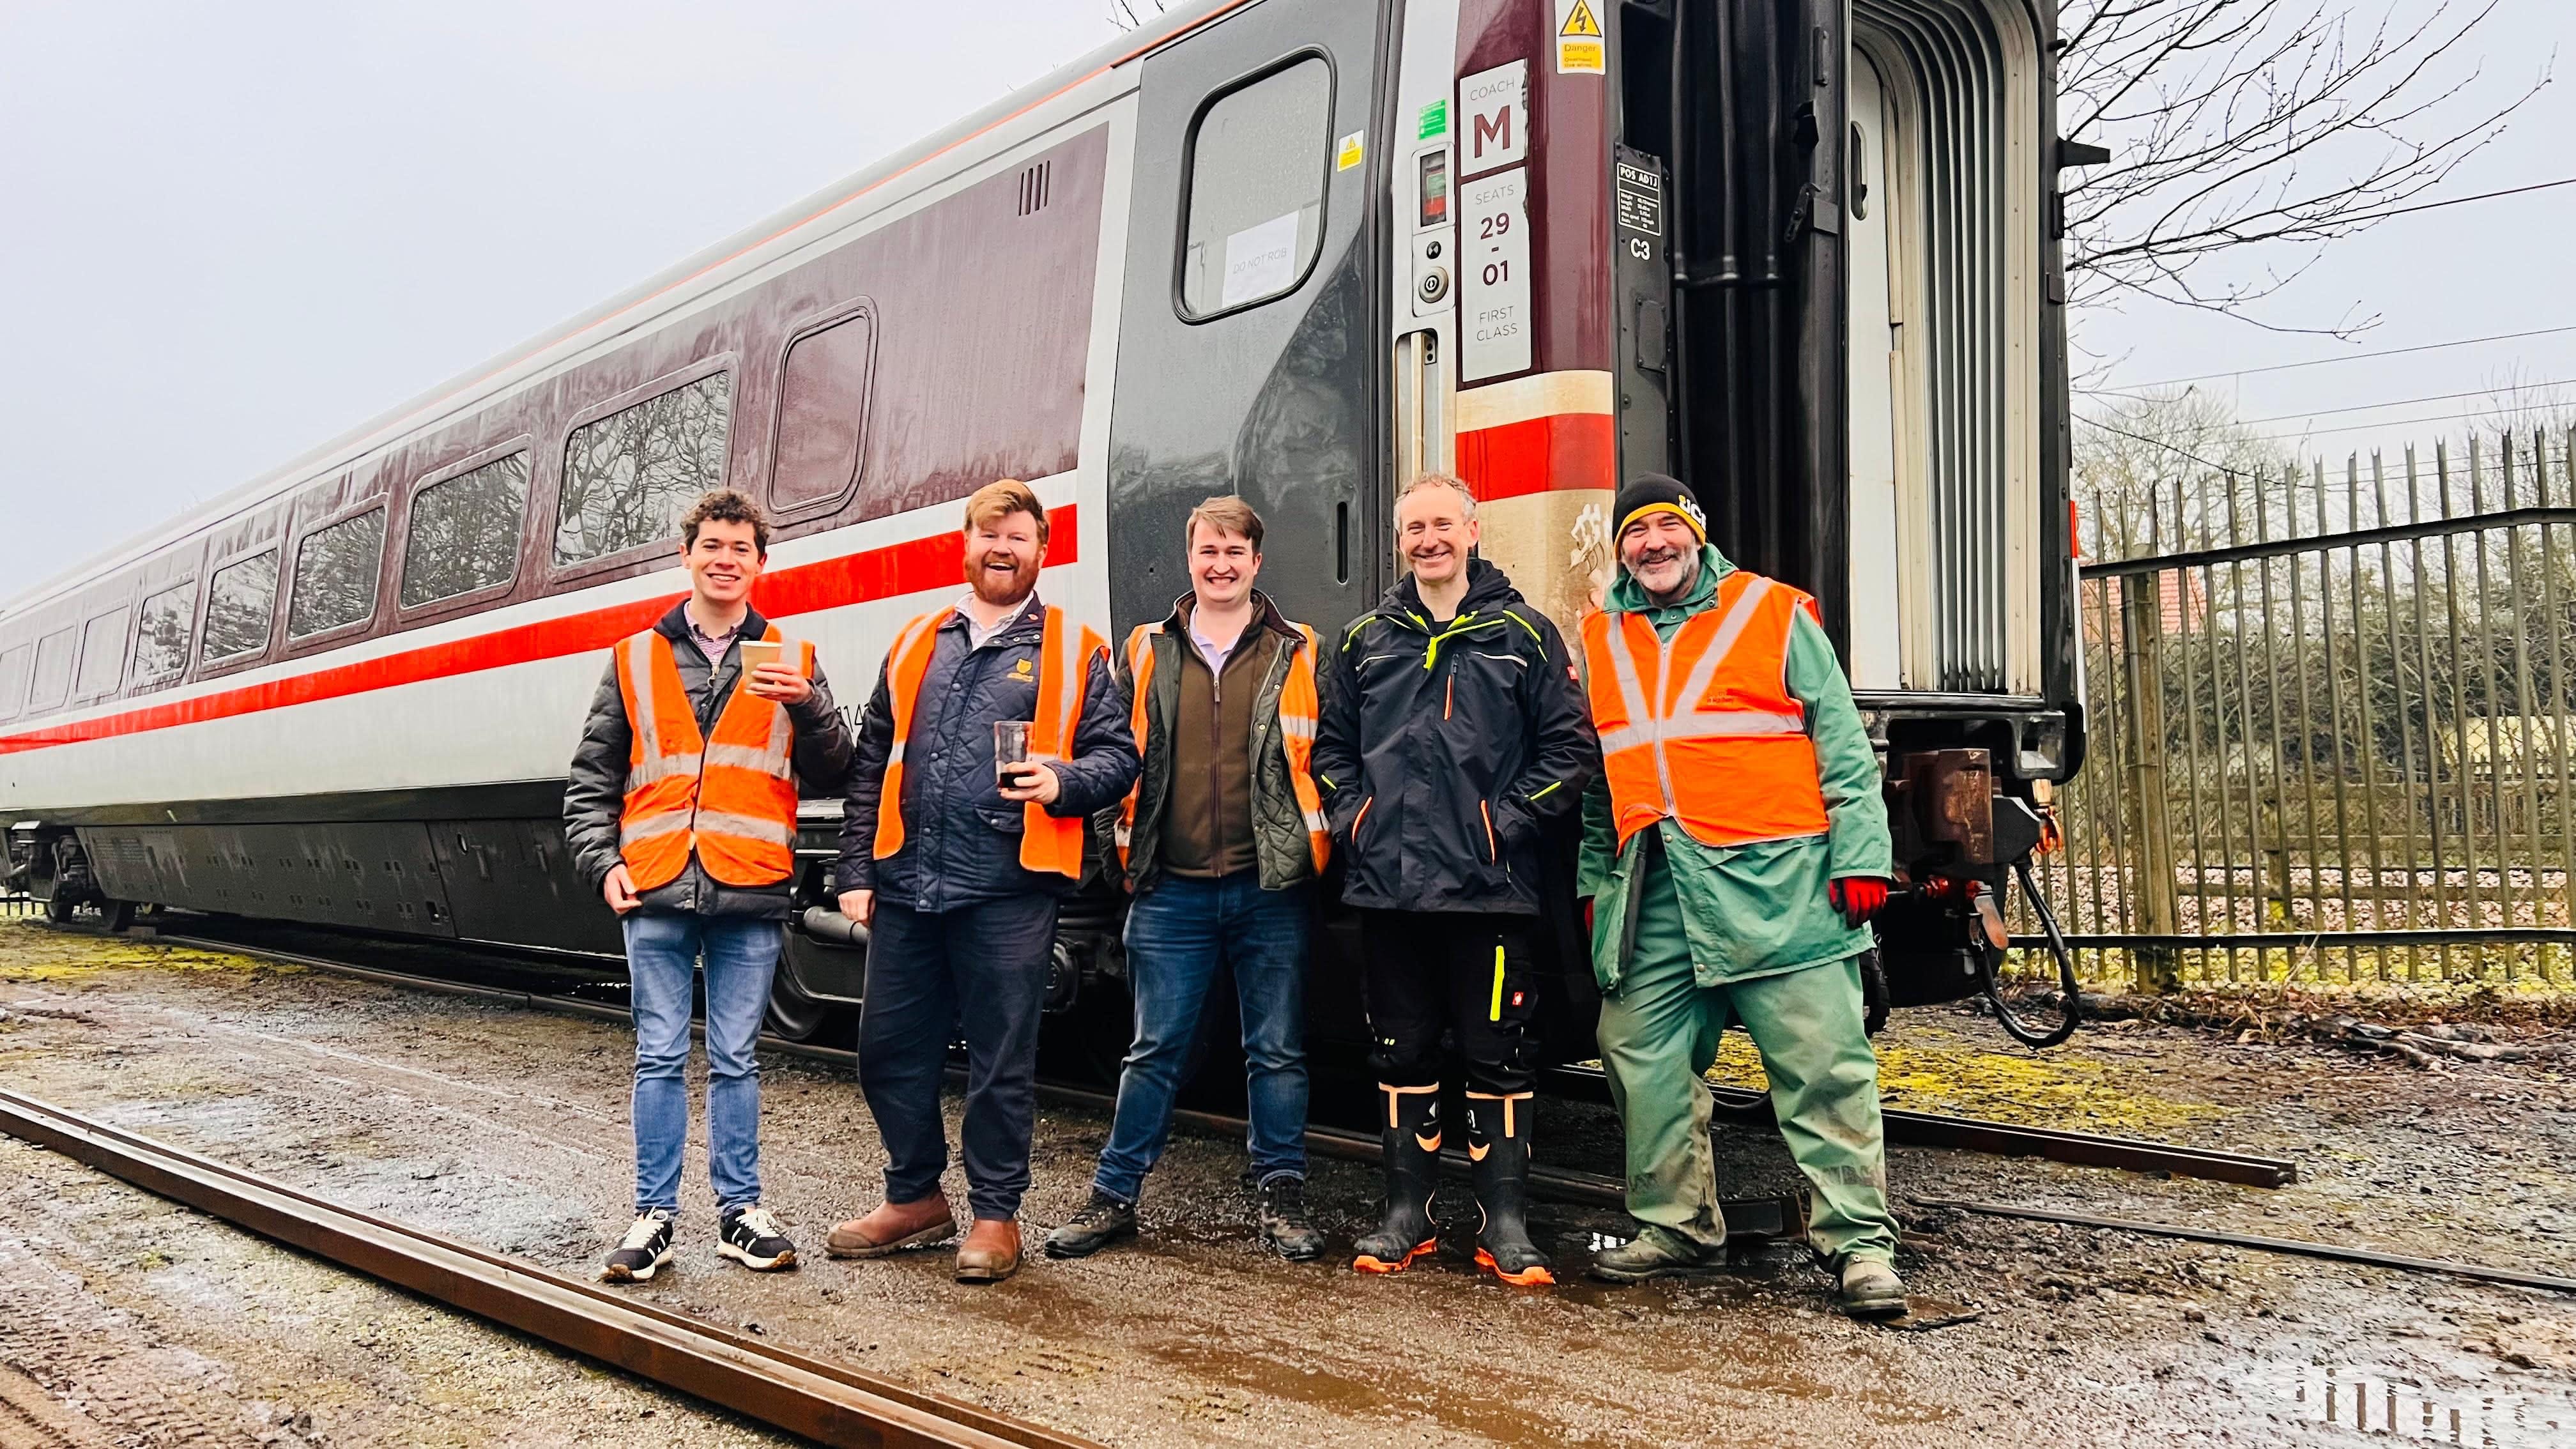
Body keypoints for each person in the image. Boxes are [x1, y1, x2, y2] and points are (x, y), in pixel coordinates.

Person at [1574, 473, 1906, 1319]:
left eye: (1665, 527)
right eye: (1635, 533)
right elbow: (1598, 776)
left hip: (1778, 884)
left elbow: (1840, 738)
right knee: (1636, 1050)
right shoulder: (1603, 637)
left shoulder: (1775, 611)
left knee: (1821, 1065)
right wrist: (1592, 881)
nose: (1651, 544)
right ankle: (1678, 1226)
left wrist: (1862, 853)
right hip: (1654, 888)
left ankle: (1860, 1246)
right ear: (1620, 549)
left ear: (1698, 532)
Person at [827, 479, 1137, 1285]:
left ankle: (997, 1216)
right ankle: (917, 1199)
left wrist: (1063, 783)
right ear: (965, 546)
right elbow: (872, 765)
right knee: (888, 1051)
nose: (1002, 549)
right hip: (906, 885)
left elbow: (1120, 757)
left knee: (1002, 1061)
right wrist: (856, 868)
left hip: (1010, 885)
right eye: (988, 535)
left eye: (1019, 538)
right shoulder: (918, 640)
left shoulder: (1076, 647)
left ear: (1043, 551)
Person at [1310, 473, 1597, 1287]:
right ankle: (1410, 1218)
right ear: (1399, 541)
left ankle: (1504, 1221)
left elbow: (1570, 752)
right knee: (1399, 1053)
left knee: (1499, 1055)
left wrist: (1503, 824)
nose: (1428, 539)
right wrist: (1355, 817)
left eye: (1442, 524)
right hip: (1390, 891)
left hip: (1490, 892)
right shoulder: (1366, 638)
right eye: (1413, 528)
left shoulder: (1526, 635)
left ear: (1474, 529)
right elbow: (1330, 752)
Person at [564, 487, 855, 1284]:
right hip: (655, 887)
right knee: (658, 1056)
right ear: (687, 556)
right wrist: (604, 863)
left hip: (750, 889)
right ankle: (653, 1216)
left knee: (735, 1059)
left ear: (761, 564)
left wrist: (813, 706)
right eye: (712, 547)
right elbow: (591, 781)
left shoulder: (792, 661)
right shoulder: (634, 658)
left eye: (741, 549)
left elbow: (838, 770)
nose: (725, 560)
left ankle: (739, 1214)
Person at [1044, 496, 1331, 1263]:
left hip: (1270, 887)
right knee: (1154, 1049)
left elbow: (1325, 761)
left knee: (1275, 1051)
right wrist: (1121, 857)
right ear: (1190, 558)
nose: (1221, 564)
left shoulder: (1298, 649)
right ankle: (1113, 1195)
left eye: (1236, 551)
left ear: (1257, 563)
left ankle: (1280, 1196)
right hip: (1169, 888)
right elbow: (1107, 753)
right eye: (1209, 550)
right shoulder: (1144, 649)